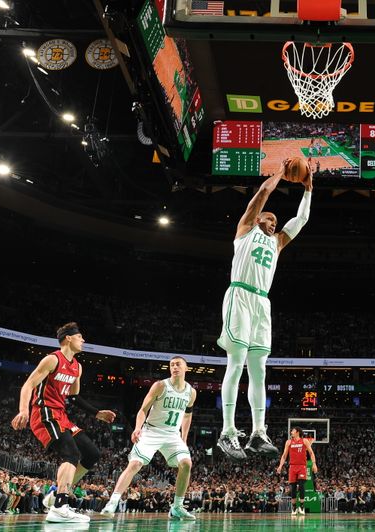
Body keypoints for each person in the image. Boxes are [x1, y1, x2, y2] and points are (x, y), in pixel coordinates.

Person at [217, 160, 313, 460]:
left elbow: (301, 219)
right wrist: (281, 175)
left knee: (259, 371)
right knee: (236, 363)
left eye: (275, 221)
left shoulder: (278, 243)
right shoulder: (245, 229)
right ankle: (227, 433)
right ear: (257, 219)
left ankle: (258, 432)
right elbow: (261, 194)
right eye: (269, 218)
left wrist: (308, 189)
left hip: (261, 302)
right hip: (240, 295)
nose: (273, 222)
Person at [11, 322, 115, 523]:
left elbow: (74, 397)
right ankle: (60, 506)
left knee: (92, 454)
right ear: (69, 338)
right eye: (80, 337)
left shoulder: (77, 367)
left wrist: (96, 413)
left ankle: (54, 493)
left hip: (61, 416)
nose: (83, 340)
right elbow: (28, 384)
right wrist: (23, 410)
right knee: (72, 454)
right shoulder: (52, 359)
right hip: (43, 413)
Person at [101, 356, 197, 520]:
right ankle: (112, 502)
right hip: (151, 431)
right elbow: (143, 410)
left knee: (186, 463)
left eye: (178, 364)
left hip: (172, 434)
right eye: (171, 364)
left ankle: (177, 507)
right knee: (135, 464)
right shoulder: (160, 386)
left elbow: (187, 416)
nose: (174, 367)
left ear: (186, 368)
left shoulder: (191, 392)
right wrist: (137, 428)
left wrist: (184, 438)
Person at [276, 426, 317, 516]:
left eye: (293, 430)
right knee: (293, 487)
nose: (291, 431)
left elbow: (311, 453)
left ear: (298, 432)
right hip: (292, 467)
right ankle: (294, 507)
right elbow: (284, 455)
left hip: (302, 466)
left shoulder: (305, 441)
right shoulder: (288, 442)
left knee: (301, 485)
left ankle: (302, 506)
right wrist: (280, 466)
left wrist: (314, 463)